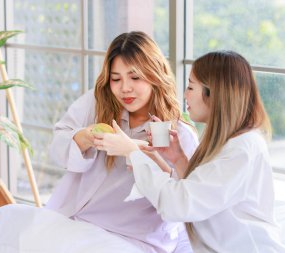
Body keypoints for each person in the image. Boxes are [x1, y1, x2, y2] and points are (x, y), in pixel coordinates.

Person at [94, 51, 285, 253]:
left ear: (213, 92)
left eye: (190, 87)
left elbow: (179, 205)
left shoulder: (242, 150)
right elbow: (204, 190)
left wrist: (133, 153)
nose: (185, 95)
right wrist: (177, 158)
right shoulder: (228, 141)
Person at [46, 31, 199, 253]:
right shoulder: (97, 103)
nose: (124, 88)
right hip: (80, 223)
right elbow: (57, 146)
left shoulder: (179, 135)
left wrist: (139, 154)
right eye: (116, 79)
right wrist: (85, 137)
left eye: (135, 77)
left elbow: (184, 198)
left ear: (154, 75)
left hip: (136, 238)